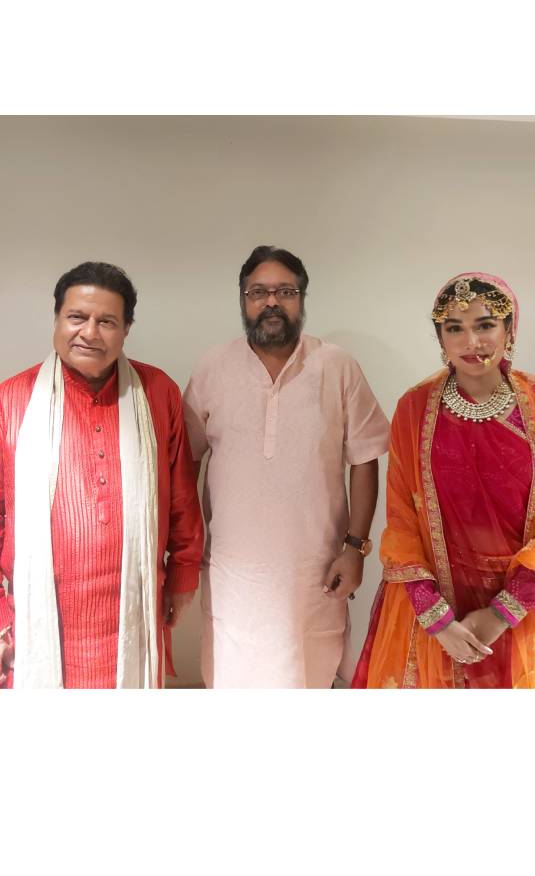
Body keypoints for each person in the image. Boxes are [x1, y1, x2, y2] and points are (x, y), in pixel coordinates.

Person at [183, 245, 389, 688]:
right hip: (232, 571)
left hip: (314, 569)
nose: (271, 302)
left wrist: (355, 548)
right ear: (243, 299)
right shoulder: (213, 367)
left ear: (302, 298)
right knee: (232, 679)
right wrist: (189, 544)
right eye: (258, 292)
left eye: (285, 291)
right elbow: (188, 460)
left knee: (307, 674)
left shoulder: (336, 366)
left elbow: (365, 458)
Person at [0, 261, 204, 688]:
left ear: (126, 329)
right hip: (39, 619)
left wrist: (184, 574)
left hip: (133, 611)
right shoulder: (11, 400)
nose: (89, 333)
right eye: (76, 317)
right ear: (56, 320)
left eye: (106, 321)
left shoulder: (157, 392)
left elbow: (182, 497)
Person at [353, 272, 535, 689]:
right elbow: (401, 522)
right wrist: (436, 618)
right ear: (441, 338)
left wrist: (503, 613)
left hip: (524, 605)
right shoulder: (414, 410)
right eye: (455, 328)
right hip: (435, 613)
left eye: (485, 325)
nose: (472, 342)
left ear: (509, 330)